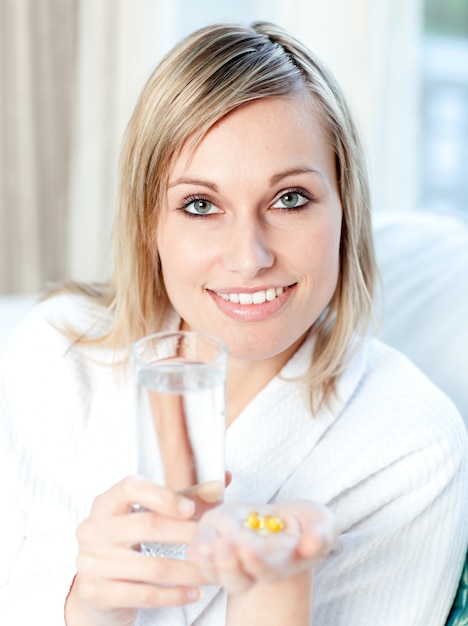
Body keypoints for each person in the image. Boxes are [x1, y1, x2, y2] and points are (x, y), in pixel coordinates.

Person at [0, 20, 467, 626]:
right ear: (151, 224)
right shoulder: (55, 352)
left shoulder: (411, 443)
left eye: (290, 198)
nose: (249, 258)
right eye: (201, 205)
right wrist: (83, 606)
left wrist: (277, 587)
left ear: (346, 209)